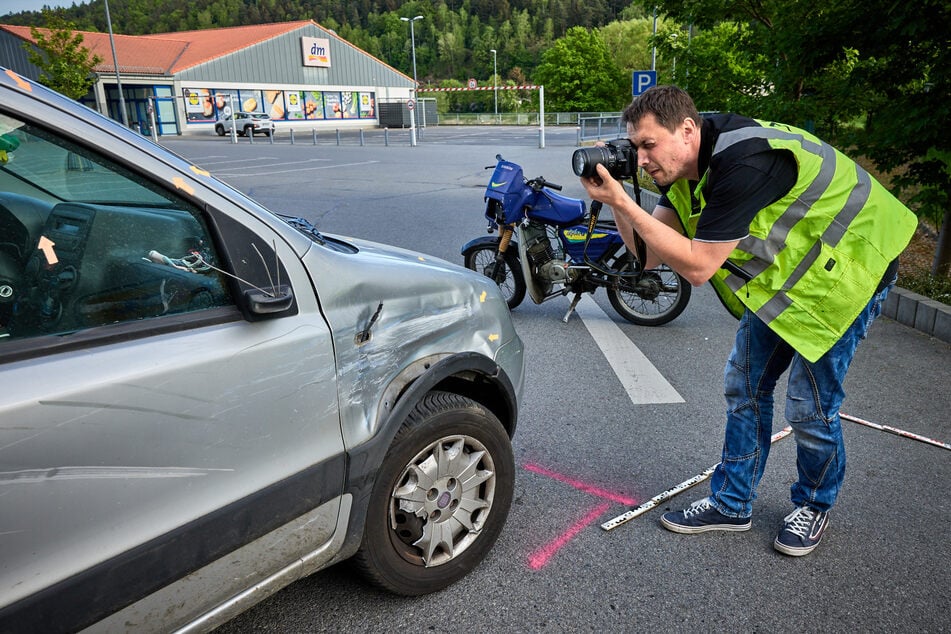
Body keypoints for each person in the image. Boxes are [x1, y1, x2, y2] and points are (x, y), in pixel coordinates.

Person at [580, 85, 917, 556]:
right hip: (791, 284)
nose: (641, 160)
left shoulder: (745, 163)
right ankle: (733, 502)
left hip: (851, 274)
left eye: (648, 146)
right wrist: (618, 202)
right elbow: (646, 256)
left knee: (808, 403)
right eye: (634, 148)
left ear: (688, 130)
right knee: (744, 384)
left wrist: (625, 202)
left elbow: (698, 267)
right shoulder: (682, 169)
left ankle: (814, 504)